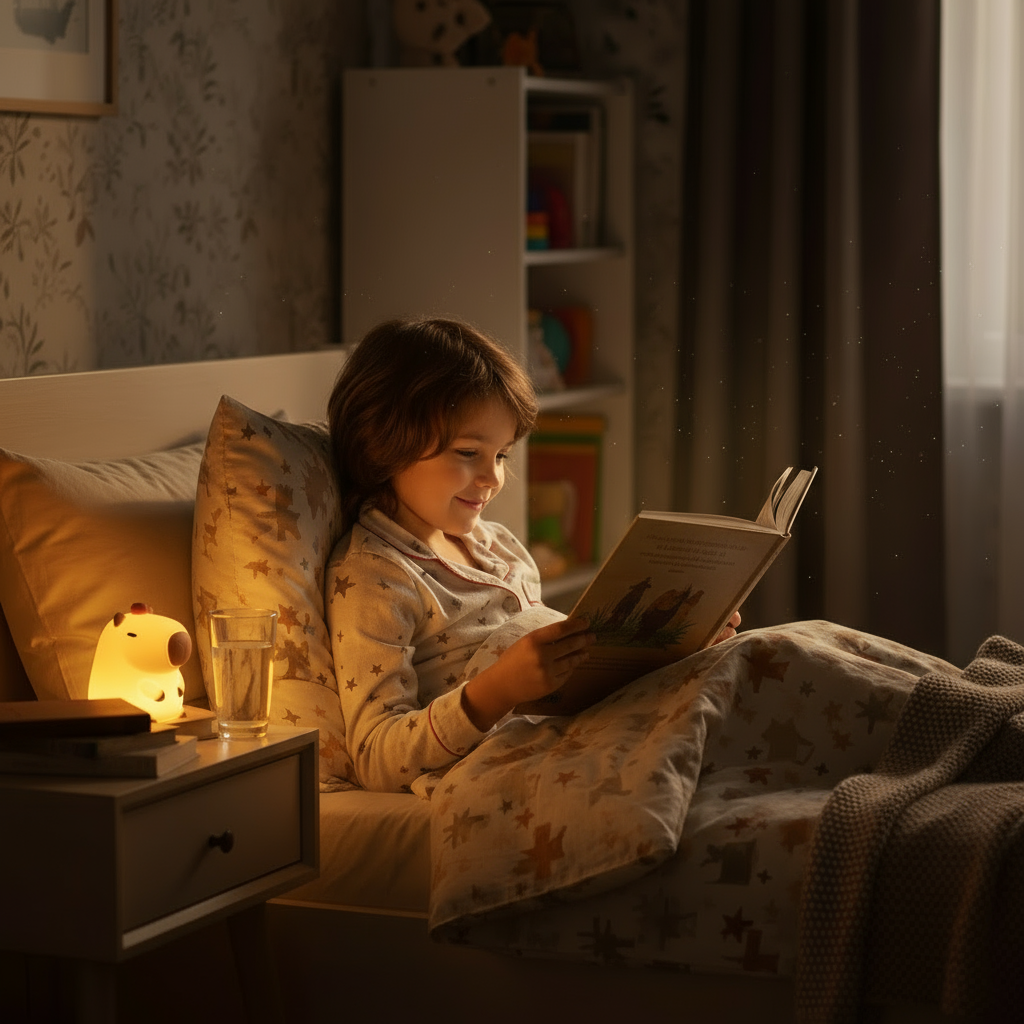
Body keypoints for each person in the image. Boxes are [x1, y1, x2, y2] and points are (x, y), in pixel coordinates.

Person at [325, 316, 740, 792]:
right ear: (384, 444)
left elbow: (570, 685)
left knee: (765, 658)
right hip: (523, 765)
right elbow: (376, 757)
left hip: (580, 730)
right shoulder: (374, 578)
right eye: (467, 453)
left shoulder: (498, 545)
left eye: (501, 455)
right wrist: (498, 690)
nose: (493, 478)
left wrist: (675, 648)